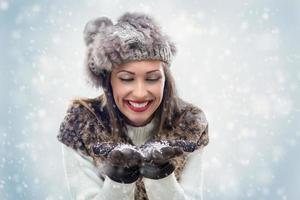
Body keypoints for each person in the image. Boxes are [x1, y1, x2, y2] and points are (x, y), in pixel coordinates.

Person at [57, 12, 209, 200]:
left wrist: (159, 175)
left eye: (152, 78)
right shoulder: (81, 123)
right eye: (127, 79)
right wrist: (119, 179)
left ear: (165, 79)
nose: (140, 93)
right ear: (108, 82)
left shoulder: (189, 124)